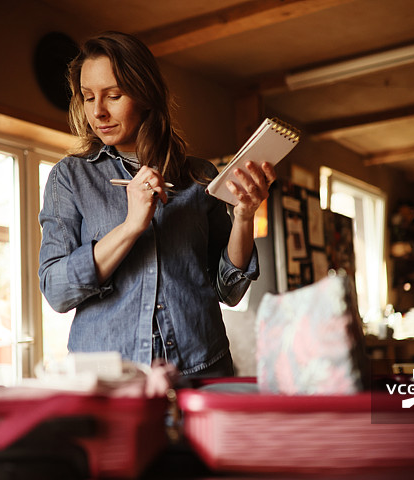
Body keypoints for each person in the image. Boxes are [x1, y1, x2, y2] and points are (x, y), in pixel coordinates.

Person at [38, 31, 275, 377]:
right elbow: (57, 291)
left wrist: (243, 217)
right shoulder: (70, 178)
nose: (98, 112)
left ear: (146, 95)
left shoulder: (198, 176)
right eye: (88, 98)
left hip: (201, 369)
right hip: (111, 380)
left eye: (113, 95)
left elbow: (229, 290)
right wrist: (131, 226)